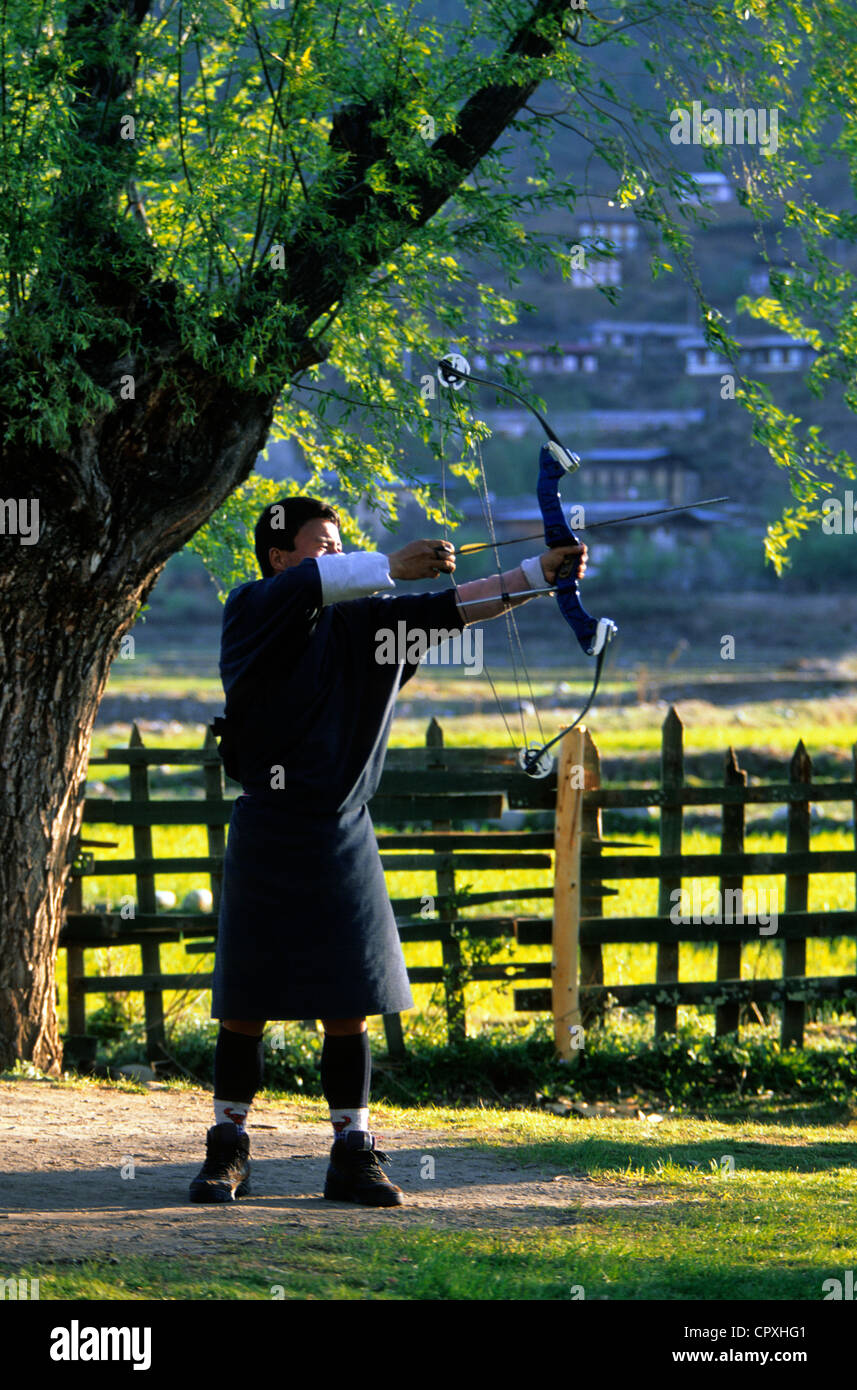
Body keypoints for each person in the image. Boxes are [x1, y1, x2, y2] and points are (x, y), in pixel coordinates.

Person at [189, 495, 587, 1206]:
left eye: (344, 544)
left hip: (341, 830)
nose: (337, 556)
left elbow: (457, 605)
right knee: (245, 1003)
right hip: (270, 826)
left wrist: (537, 571)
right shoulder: (252, 609)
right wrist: (388, 565)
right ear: (280, 557)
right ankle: (228, 1150)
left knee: (349, 1004)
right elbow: (310, 588)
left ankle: (351, 1151)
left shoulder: (368, 623)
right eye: (322, 545)